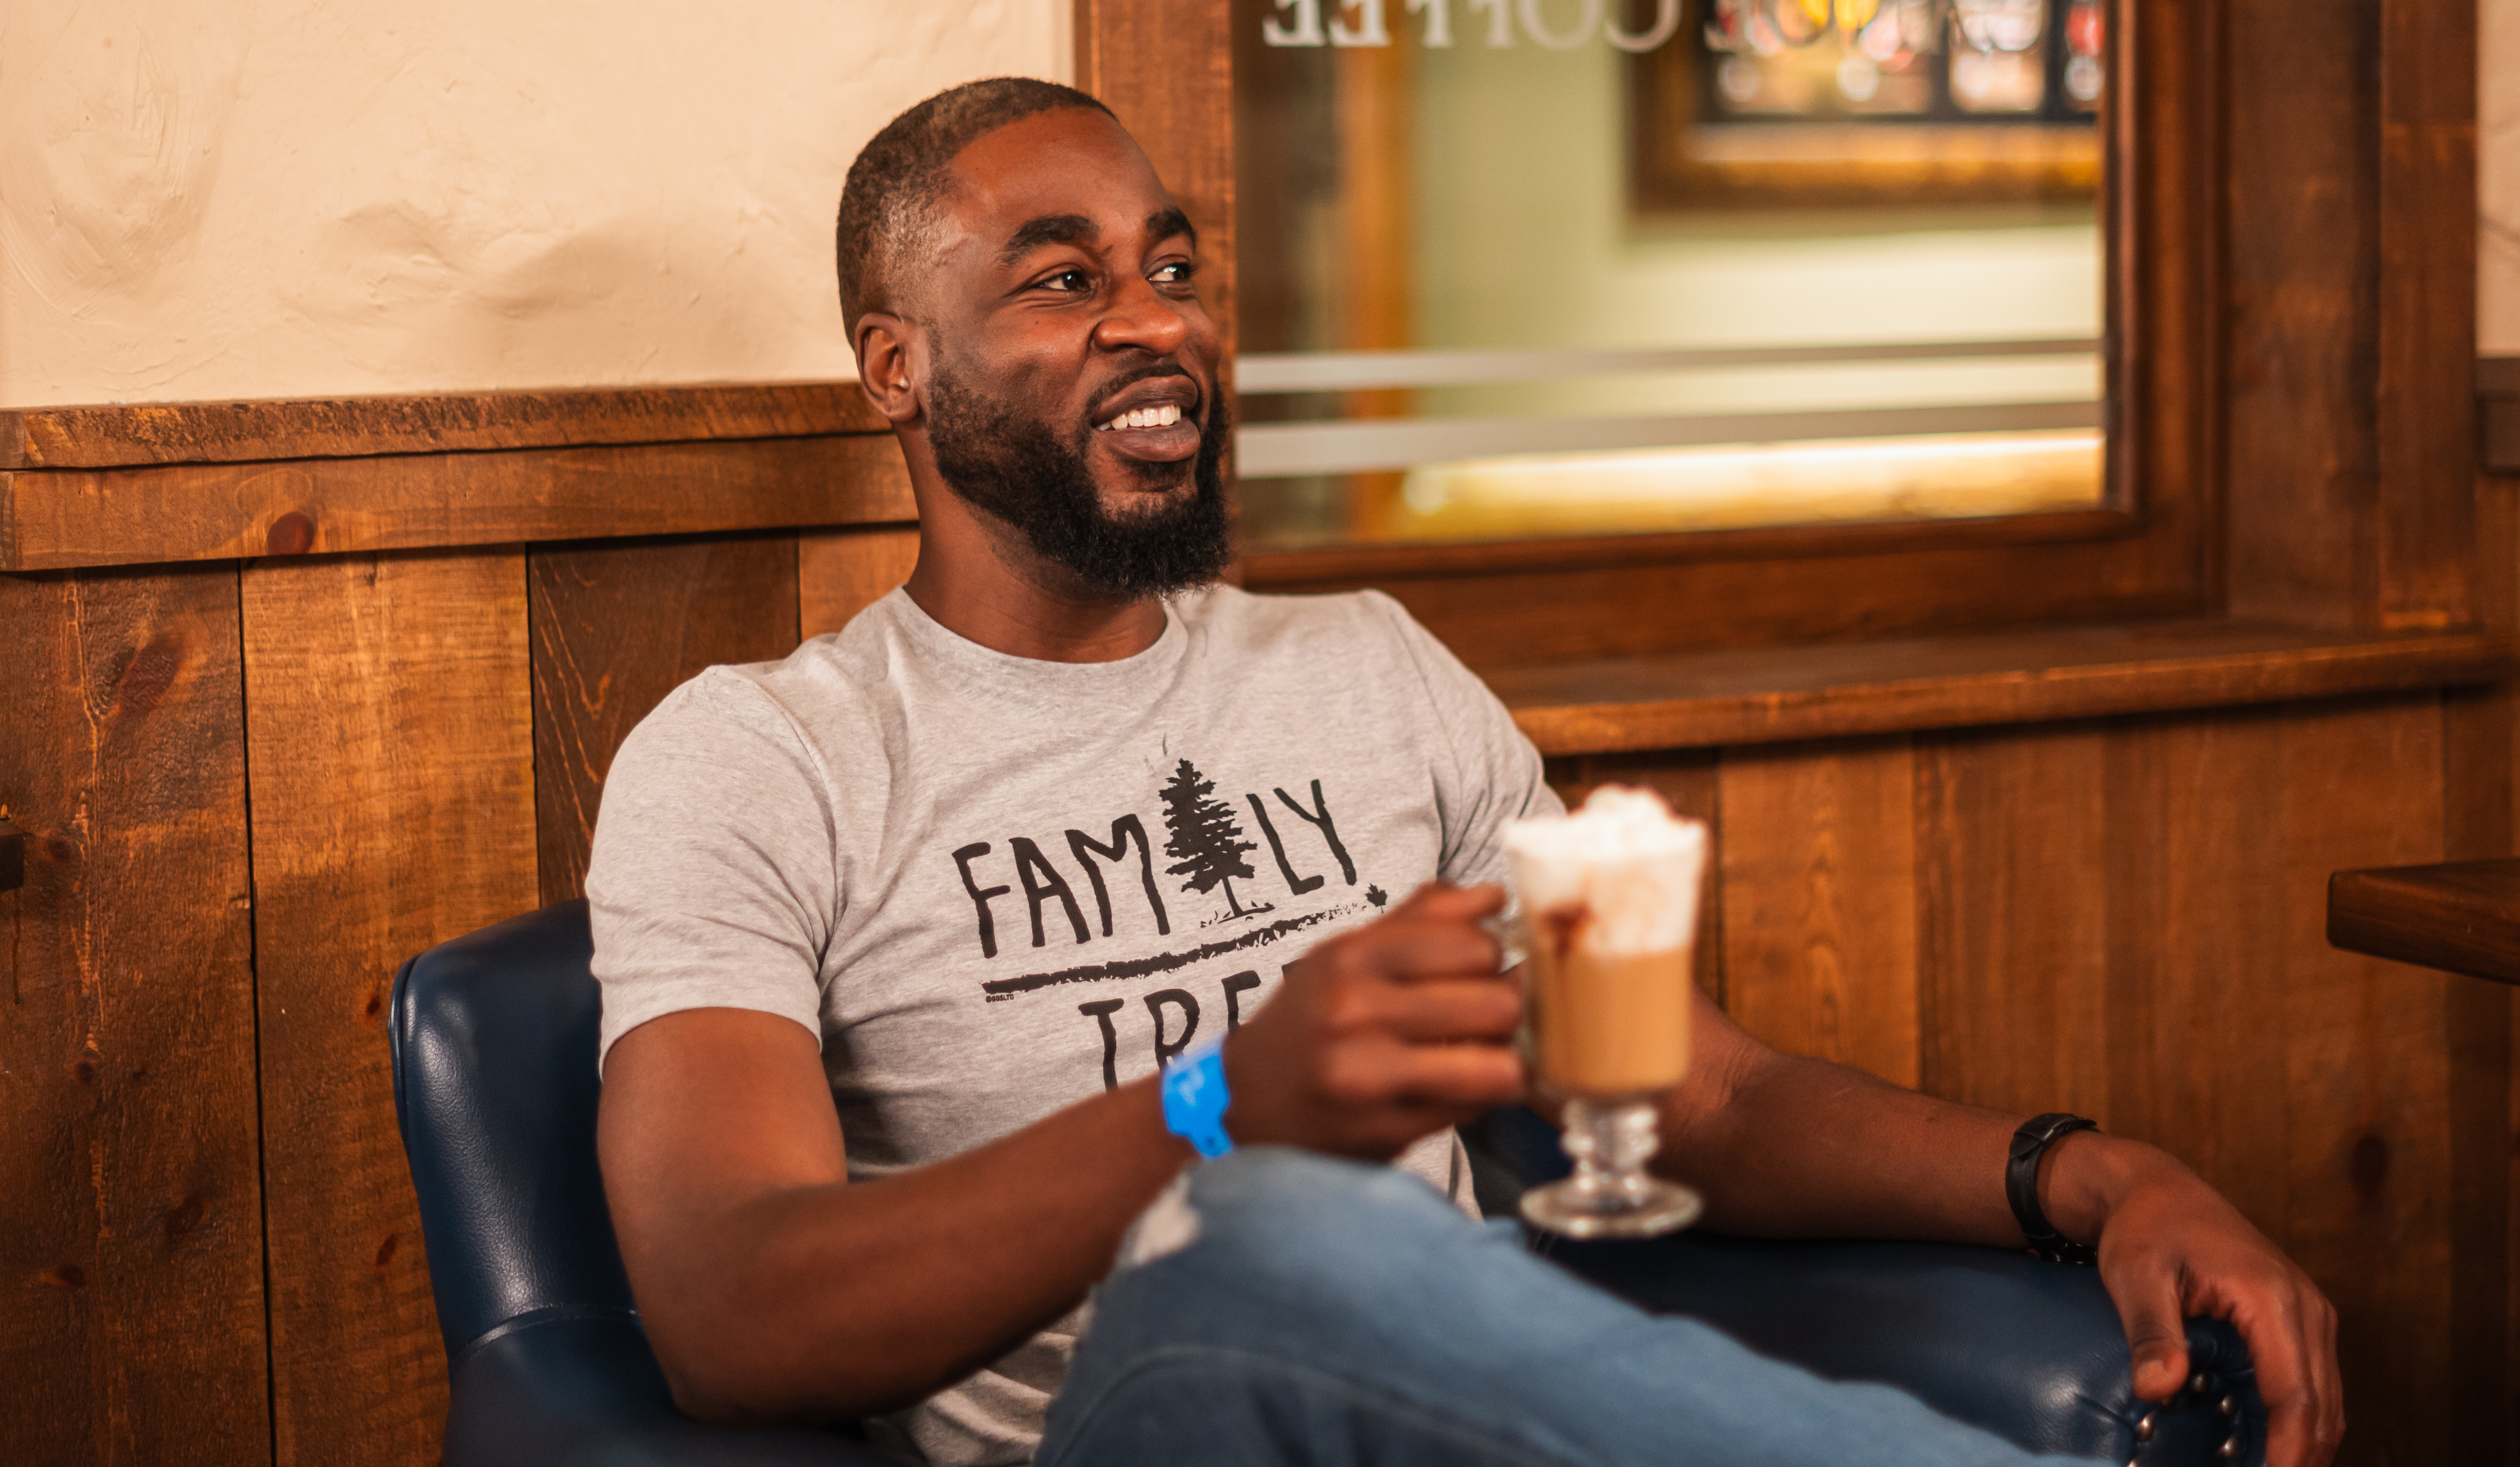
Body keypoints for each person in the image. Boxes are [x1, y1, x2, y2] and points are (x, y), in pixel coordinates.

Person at [586, 77, 2342, 1467]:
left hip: (1461, 1416)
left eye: (1176, 266)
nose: (1158, 319)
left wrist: (2094, 1172)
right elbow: (729, 1314)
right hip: (1131, 1433)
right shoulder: (762, 755)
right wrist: (1219, 1110)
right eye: (1065, 277)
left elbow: (1687, 1094)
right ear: (898, 365)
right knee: (1268, 1229)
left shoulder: (1364, 663)